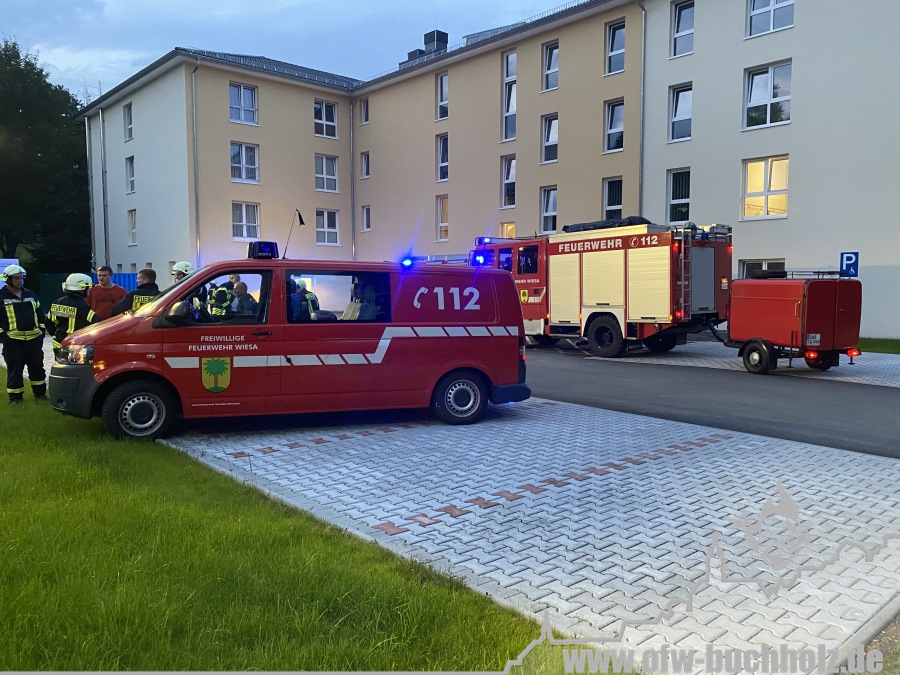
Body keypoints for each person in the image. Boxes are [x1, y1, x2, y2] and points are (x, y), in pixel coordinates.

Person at [0, 264, 47, 404]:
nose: (20, 281)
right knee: (15, 369)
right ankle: (15, 398)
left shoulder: (30, 294)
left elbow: (40, 315)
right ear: (8, 279)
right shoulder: (1, 296)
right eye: (16, 278)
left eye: (21, 278)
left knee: (37, 368)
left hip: (33, 339)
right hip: (13, 341)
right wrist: (3, 336)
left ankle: (40, 394)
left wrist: (41, 332)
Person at [46, 273, 101, 356]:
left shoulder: (57, 302)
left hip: (58, 345)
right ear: (81, 289)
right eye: (88, 288)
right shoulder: (82, 306)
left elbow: (48, 323)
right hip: (75, 346)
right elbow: (97, 323)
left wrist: (57, 336)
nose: (89, 290)